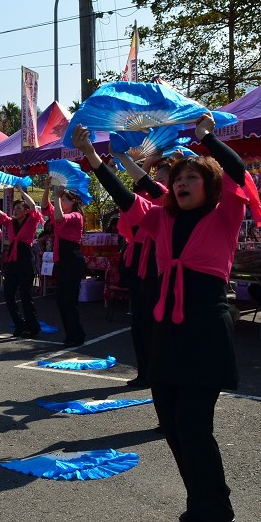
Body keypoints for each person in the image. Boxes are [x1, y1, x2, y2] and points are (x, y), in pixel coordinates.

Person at [72, 112, 261, 522]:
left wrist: (208, 140)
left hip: (205, 332)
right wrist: (92, 157)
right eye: (177, 178)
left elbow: (236, 171)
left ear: (210, 186)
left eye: (191, 178)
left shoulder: (225, 215)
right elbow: (128, 198)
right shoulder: (164, 220)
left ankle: (215, 509)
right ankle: (203, 500)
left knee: (195, 425)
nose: (180, 183)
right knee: (174, 426)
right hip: (167, 334)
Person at [112, 152, 171, 388]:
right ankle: (144, 371)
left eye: (163, 180)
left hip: (160, 263)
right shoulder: (146, 199)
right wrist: (146, 159)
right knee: (140, 322)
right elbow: (137, 189)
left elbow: (146, 185)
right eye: (157, 179)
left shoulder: (169, 203)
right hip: (139, 261)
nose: (158, 183)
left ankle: (158, 373)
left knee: (159, 325)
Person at [0, 185, 42, 337]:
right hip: (12, 259)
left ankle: (33, 328)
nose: (16, 210)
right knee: (8, 295)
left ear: (25, 211)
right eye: (14, 208)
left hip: (25, 258)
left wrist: (22, 192)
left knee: (26, 297)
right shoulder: (10, 222)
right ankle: (19, 324)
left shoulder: (32, 220)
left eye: (19, 208)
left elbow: (33, 206)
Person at [42, 176, 87, 346]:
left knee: (70, 302)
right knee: (61, 301)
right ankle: (72, 333)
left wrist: (56, 194)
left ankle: (77, 335)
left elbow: (59, 218)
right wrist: (47, 188)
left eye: (64, 199)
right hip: (62, 261)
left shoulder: (76, 216)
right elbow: (45, 207)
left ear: (73, 201)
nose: (60, 201)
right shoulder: (59, 213)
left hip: (73, 261)